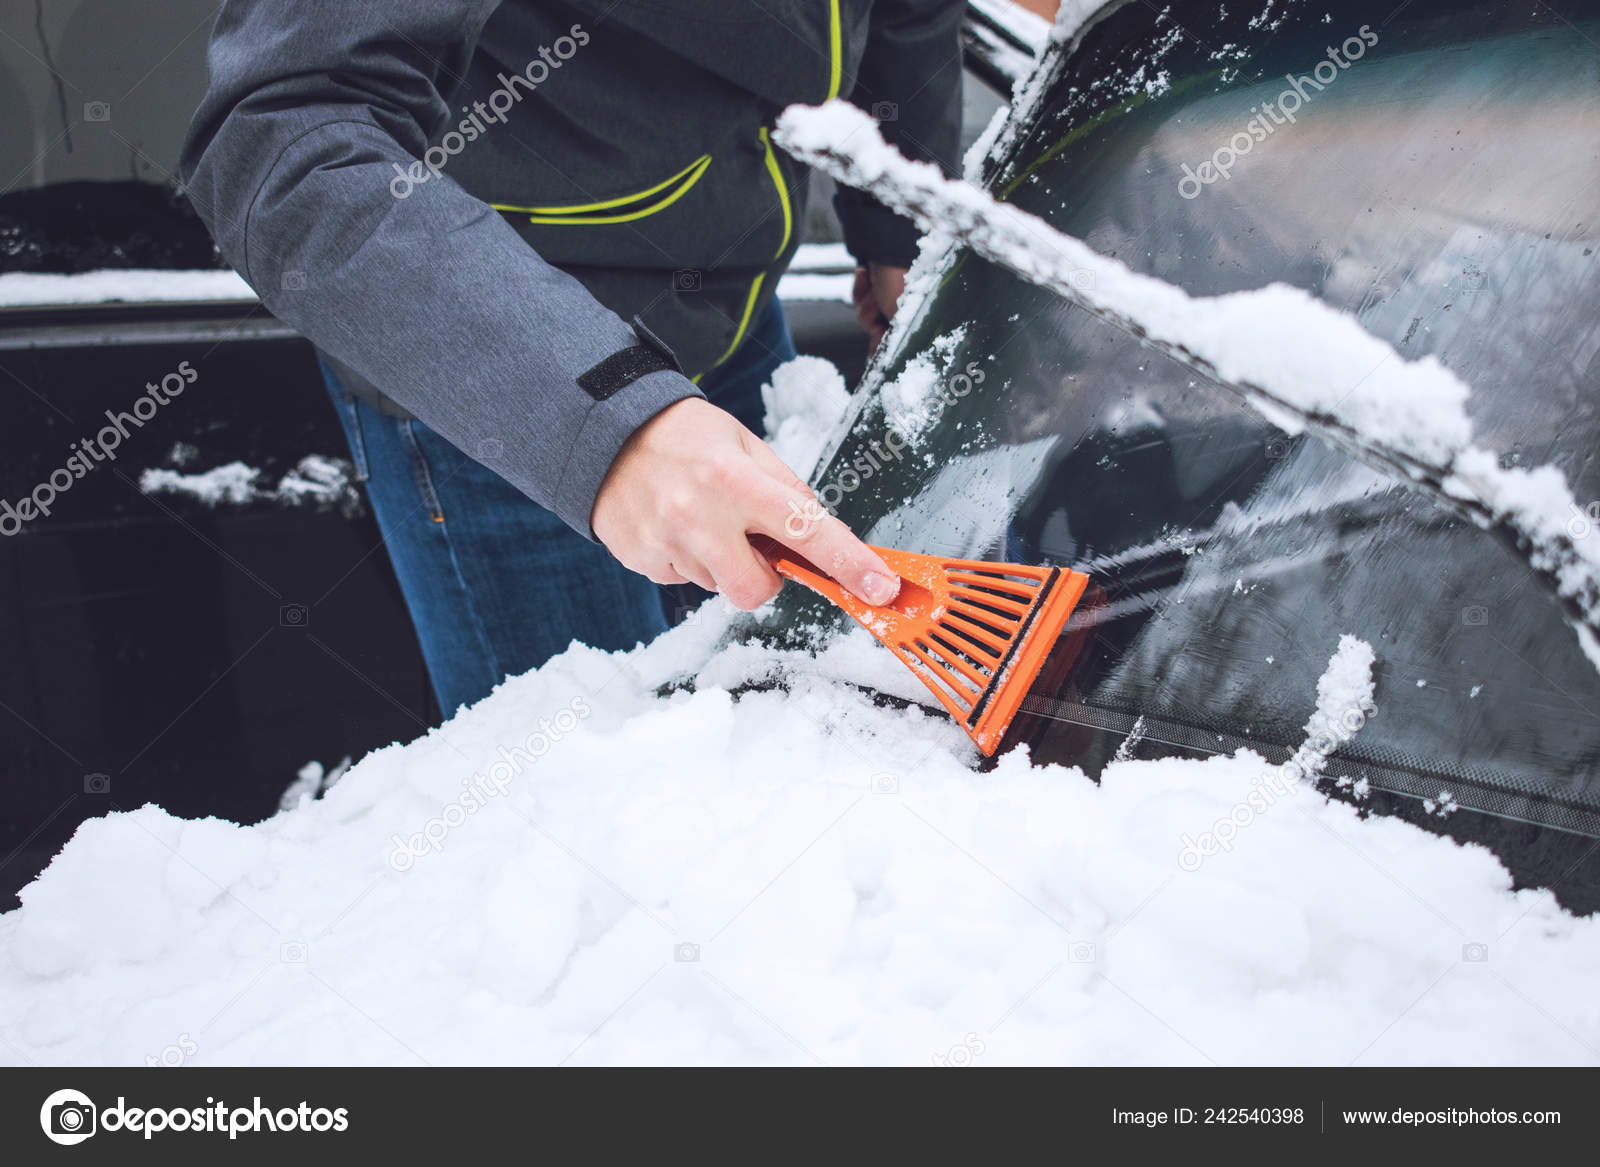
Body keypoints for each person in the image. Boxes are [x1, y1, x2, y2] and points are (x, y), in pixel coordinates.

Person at [181, 1, 964, 715]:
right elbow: (283, 135)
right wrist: (606, 416)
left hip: (733, 305)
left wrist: (902, 229)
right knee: (604, 808)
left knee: (758, 743)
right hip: (510, 370)